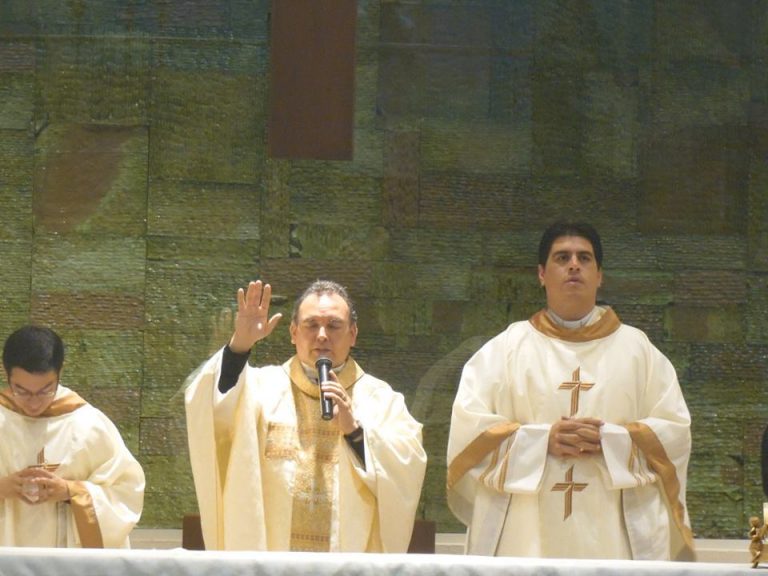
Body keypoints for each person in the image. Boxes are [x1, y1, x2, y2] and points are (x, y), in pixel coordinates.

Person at [446, 221, 694, 560]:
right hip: (527, 536)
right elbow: (467, 434)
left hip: (613, 536)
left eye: (585, 258)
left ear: (600, 275)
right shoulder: (505, 350)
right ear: (542, 274)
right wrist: (541, 441)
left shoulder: (639, 352)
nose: (574, 265)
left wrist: (611, 440)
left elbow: (675, 433)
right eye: (562, 257)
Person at [185, 279, 427, 552]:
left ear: (353, 334)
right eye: (312, 325)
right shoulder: (260, 389)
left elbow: (407, 468)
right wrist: (239, 346)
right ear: (293, 332)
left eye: (334, 325)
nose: (322, 335)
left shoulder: (382, 401)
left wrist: (355, 433)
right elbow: (211, 412)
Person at [0, 325, 145, 548]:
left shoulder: (88, 425)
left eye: (45, 390)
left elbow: (126, 492)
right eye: (22, 391)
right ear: (6, 374)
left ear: (60, 372)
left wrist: (71, 492)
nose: (34, 402)